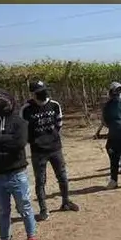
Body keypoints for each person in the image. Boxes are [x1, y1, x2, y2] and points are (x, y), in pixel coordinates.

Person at [0, 90, 41, 240]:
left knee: (25, 208)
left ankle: (32, 239)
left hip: (17, 174)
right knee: (1, 212)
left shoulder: (19, 122)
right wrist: (8, 139)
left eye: (3, 102)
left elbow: (20, 143)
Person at [21, 80, 79, 222]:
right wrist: (35, 140)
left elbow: (59, 123)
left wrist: (51, 137)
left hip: (55, 148)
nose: (43, 94)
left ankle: (66, 202)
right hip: (38, 151)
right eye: (40, 92)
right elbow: (22, 129)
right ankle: (43, 210)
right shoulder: (26, 109)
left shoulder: (55, 105)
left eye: (44, 90)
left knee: (62, 176)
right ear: (33, 94)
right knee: (40, 181)